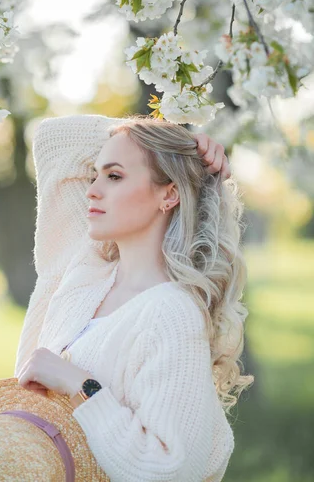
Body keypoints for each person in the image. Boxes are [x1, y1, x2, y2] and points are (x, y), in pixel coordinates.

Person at [15, 113, 254, 482]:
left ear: (170, 193)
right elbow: (54, 139)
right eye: (95, 174)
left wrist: (79, 385)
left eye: (114, 176)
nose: (92, 189)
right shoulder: (87, 268)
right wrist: (186, 144)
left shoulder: (171, 313)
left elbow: (173, 469)